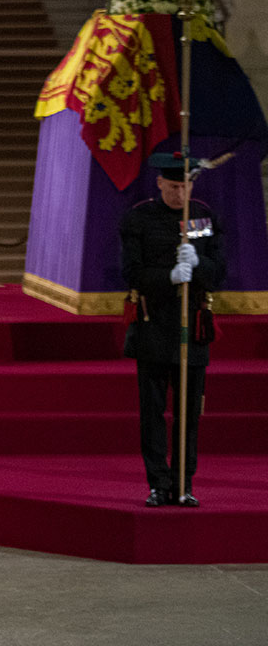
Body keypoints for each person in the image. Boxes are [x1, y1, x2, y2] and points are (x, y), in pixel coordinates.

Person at [121, 151, 225, 508]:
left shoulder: (203, 216)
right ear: (160, 183)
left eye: (186, 186)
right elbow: (132, 273)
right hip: (154, 324)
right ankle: (157, 483)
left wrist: (199, 265)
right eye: (174, 187)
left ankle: (184, 482)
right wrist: (168, 276)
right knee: (152, 411)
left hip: (192, 325)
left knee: (189, 412)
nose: (180, 194)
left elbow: (220, 270)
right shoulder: (139, 219)